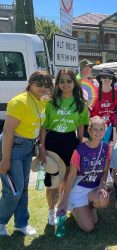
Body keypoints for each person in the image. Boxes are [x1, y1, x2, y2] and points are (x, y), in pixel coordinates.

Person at [0, 71, 52, 236]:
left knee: (22, 189)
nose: (42, 89)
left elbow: (40, 126)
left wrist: (40, 147)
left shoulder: (40, 101)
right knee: (13, 190)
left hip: (27, 148)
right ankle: (1, 221)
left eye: (46, 85)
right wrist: (5, 159)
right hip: (13, 147)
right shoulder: (19, 102)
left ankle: (21, 224)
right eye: (39, 85)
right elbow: (8, 132)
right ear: (30, 84)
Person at [39, 69, 89, 226]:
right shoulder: (49, 102)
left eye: (69, 81)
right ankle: (50, 211)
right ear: (57, 83)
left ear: (74, 82)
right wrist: (41, 146)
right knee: (53, 181)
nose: (65, 84)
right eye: (62, 81)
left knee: (67, 179)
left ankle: (62, 206)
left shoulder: (81, 103)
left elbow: (81, 128)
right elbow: (43, 127)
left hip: (70, 142)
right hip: (52, 141)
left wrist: (80, 146)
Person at [57, 116, 110, 232]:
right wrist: (64, 201)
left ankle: (90, 208)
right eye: (95, 129)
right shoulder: (80, 149)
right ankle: (74, 206)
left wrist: (102, 186)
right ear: (89, 131)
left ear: (104, 131)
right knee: (89, 227)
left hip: (94, 188)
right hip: (79, 189)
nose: (98, 132)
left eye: (101, 129)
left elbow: (105, 171)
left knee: (103, 200)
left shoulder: (106, 148)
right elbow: (71, 176)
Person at [90, 68, 117, 142]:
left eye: (109, 77)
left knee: (105, 148)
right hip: (94, 126)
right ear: (100, 78)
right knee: (94, 147)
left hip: (109, 127)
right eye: (104, 77)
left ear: (112, 79)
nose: (107, 79)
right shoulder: (93, 92)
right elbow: (87, 109)